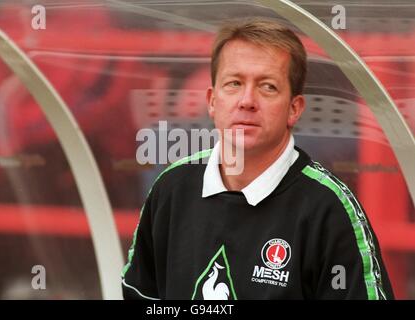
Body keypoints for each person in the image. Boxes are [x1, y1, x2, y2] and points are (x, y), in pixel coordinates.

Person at [121, 18, 394, 300]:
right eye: (234, 83)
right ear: (213, 101)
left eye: (267, 87)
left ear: (294, 108)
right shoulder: (172, 187)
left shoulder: (329, 209)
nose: (247, 100)